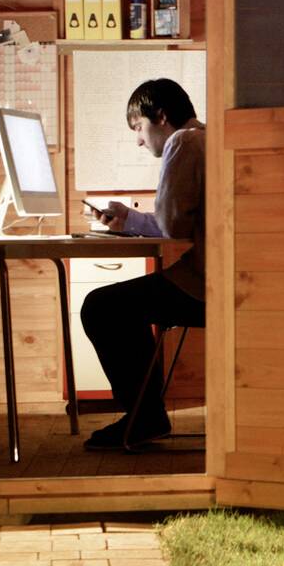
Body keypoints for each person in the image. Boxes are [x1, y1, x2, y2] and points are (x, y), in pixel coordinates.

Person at [78, 78, 206, 448]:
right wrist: (129, 220)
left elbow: (172, 226)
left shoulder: (183, 142)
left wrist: (138, 220)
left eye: (138, 127)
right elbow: (177, 224)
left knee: (102, 306)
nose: (137, 139)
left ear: (161, 117)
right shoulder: (206, 138)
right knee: (122, 306)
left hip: (206, 285)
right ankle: (144, 415)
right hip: (224, 276)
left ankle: (144, 417)